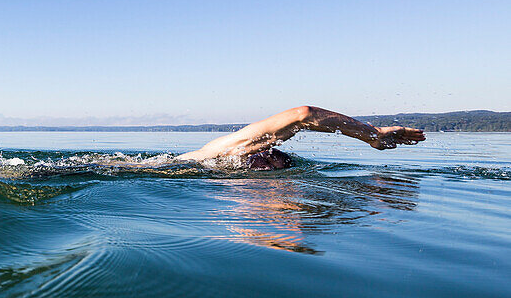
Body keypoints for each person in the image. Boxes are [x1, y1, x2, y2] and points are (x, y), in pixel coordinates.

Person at [177, 105, 426, 170]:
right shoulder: (222, 153)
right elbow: (302, 115)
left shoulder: (226, 174)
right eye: (265, 150)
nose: (265, 152)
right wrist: (374, 135)